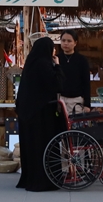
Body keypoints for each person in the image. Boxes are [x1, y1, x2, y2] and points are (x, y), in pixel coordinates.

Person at [15, 36, 61, 193]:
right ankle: (43, 180)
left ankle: (31, 177)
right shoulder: (44, 64)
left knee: (31, 147)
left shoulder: (32, 63)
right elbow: (56, 83)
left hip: (29, 113)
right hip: (42, 114)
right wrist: (57, 66)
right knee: (42, 146)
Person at [57, 31, 92, 110]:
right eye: (63, 40)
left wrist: (87, 104)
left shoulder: (82, 60)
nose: (66, 43)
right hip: (60, 99)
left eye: (69, 41)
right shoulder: (56, 58)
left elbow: (86, 82)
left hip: (76, 100)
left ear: (75, 43)